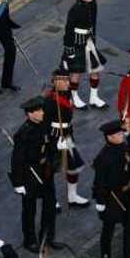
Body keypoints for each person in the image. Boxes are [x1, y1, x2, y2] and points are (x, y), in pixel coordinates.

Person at [94, 120, 130, 258]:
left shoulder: (124, 147)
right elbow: (99, 182)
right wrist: (100, 200)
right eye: (117, 134)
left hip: (126, 193)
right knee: (108, 230)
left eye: (121, 133)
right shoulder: (103, 158)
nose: (121, 135)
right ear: (109, 137)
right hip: (112, 197)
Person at [12, 96, 57, 251]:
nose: (42, 113)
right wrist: (18, 183)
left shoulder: (44, 125)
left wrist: (53, 163)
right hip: (30, 174)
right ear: (30, 114)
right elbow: (17, 160)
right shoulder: (23, 134)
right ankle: (29, 240)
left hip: (45, 171)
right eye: (38, 111)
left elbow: (50, 145)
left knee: (50, 206)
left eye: (41, 109)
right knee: (30, 210)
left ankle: (47, 237)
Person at [46, 68, 91, 208]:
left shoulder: (67, 94)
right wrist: (48, 139)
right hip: (54, 136)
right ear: (55, 82)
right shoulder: (50, 100)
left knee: (73, 166)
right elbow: (44, 122)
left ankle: (72, 196)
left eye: (67, 79)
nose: (67, 82)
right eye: (63, 80)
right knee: (50, 169)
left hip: (67, 135)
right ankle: (51, 199)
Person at [62, 0, 108, 109]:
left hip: (89, 42)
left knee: (95, 70)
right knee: (76, 72)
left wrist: (93, 41)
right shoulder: (75, 9)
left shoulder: (93, 4)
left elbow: (93, 23)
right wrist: (69, 50)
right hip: (76, 43)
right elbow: (68, 30)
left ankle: (93, 97)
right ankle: (75, 97)